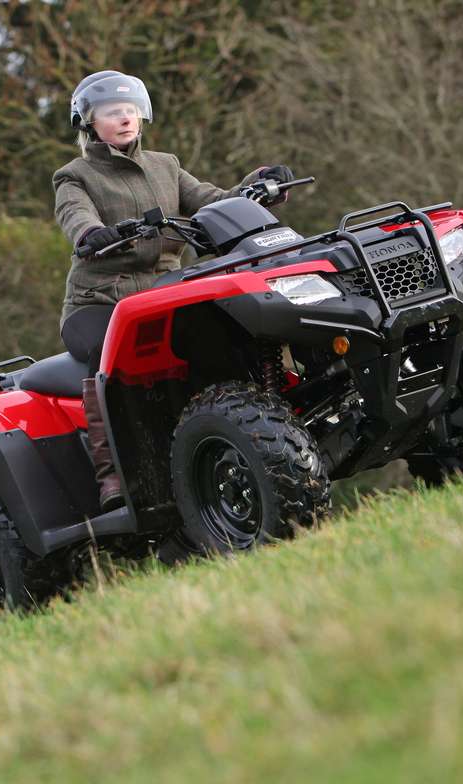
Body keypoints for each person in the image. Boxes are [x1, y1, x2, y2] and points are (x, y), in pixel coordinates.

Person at [54, 70, 293, 512]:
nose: (124, 120)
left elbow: (213, 201)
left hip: (162, 295)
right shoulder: (75, 177)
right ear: (89, 123)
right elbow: (76, 217)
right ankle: (112, 477)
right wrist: (93, 234)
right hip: (99, 304)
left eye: (129, 111)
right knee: (104, 355)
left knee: (222, 332)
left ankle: (255, 431)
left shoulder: (166, 165)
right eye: (111, 113)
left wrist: (258, 186)